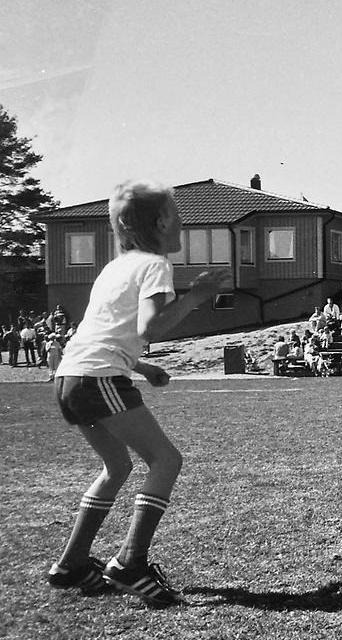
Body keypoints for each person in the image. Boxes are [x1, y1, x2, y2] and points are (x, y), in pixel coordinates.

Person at [49, 181, 227, 607]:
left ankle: (72, 564)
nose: (182, 224)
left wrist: (142, 366)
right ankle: (130, 561)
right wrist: (198, 296)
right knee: (166, 460)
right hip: (99, 379)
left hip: (70, 377)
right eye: (179, 217)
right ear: (163, 221)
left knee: (115, 467)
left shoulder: (114, 267)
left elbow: (105, 334)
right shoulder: (153, 265)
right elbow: (151, 327)